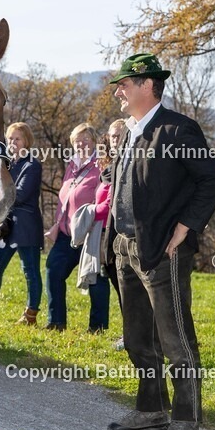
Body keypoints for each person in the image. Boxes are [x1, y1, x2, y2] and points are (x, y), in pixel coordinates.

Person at [105, 53, 215, 430]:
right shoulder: (127, 131)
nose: (118, 90)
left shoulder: (178, 129)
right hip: (124, 247)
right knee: (138, 337)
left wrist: (185, 226)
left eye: (124, 83)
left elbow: (213, 179)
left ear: (147, 85)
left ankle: (187, 418)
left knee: (175, 338)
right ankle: (150, 409)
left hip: (162, 250)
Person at [44, 123, 110, 332]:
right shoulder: (71, 166)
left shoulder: (100, 166)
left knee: (95, 279)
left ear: (94, 142)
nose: (81, 144)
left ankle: (97, 327)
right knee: (53, 270)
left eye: (86, 140)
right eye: (77, 141)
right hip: (67, 234)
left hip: (90, 233)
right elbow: (65, 199)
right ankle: (56, 322)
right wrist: (57, 224)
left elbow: (103, 198)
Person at [0, 122, 44, 324]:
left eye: (18, 138)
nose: (13, 142)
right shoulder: (6, 164)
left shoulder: (32, 164)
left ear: (27, 141)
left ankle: (30, 314)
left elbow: (21, 194)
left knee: (30, 271)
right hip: (4, 226)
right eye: (10, 138)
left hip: (25, 226)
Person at [98, 120, 127, 351]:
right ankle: (130, 332)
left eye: (119, 135)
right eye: (112, 136)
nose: (115, 140)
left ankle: (135, 336)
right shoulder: (108, 167)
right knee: (118, 282)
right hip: (109, 233)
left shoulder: (129, 162)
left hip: (127, 234)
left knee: (129, 286)